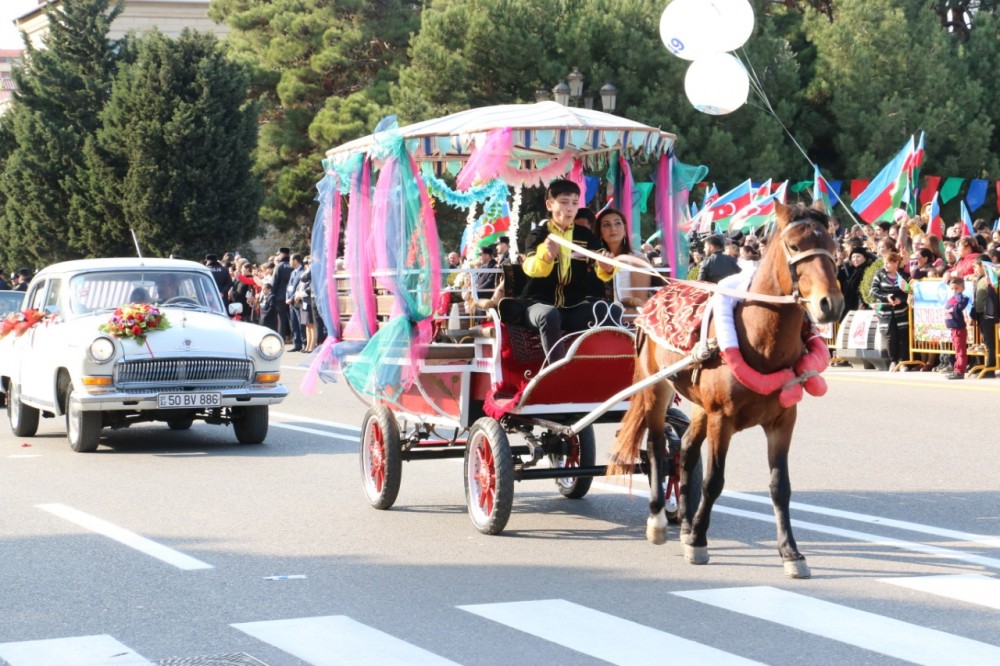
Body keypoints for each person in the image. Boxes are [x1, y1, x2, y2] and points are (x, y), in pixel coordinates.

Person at [520, 179, 615, 361]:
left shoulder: (584, 235)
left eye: (574, 203)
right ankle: (557, 371)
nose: (570, 208)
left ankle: (604, 367)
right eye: (564, 202)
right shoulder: (538, 235)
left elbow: (602, 262)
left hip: (574, 305)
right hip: (537, 303)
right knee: (549, 314)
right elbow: (530, 268)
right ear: (549, 204)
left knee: (611, 311)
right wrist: (545, 256)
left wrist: (607, 267)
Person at [596, 207, 656, 313]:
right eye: (606, 225)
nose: (613, 229)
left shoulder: (637, 259)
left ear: (625, 229)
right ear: (600, 232)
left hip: (627, 321)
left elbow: (640, 303)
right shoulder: (595, 258)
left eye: (617, 223)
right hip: (596, 319)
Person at [869, 252, 909, 370]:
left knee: (903, 336)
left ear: (896, 263)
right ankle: (893, 360)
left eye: (888, 263)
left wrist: (900, 300)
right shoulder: (880, 275)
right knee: (890, 335)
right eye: (885, 263)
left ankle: (903, 361)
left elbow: (908, 291)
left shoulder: (903, 276)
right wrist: (886, 296)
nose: (885, 265)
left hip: (901, 311)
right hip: (885, 312)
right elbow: (874, 290)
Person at [971, 253, 999, 378]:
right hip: (981, 313)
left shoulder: (991, 278)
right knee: (985, 341)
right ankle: (985, 364)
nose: (975, 270)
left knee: (990, 342)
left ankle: (990, 367)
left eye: (976, 267)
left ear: (983, 266)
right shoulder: (979, 279)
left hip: (989, 313)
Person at [944, 276, 970, 380]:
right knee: (957, 350)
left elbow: (960, 306)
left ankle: (960, 371)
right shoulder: (951, 299)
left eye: (956, 288)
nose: (954, 291)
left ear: (962, 288)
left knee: (960, 351)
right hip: (953, 328)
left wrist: (959, 294)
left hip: (959, 328)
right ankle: (956, 369)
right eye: (952, 289)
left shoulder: (962, 298)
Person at [837, 246, 871, 316]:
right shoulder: (849, 270)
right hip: (846, 305)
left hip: (859, 306)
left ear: (864, 258)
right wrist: (839, 262)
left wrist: (863, 303)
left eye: (858, 256)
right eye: (853, 257)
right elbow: (838, 278)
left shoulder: (868, 270)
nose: (855, 259)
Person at [271, 248, 294, 343]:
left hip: (280, 296)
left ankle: (281, 337)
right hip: (291, 295)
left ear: (282, 254)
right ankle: (294, 337)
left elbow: (274, 282)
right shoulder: (293, 265)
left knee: (281, 318)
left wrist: (272, 294)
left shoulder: (279, 266)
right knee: (292, 318)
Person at [285, 253, 305, 351]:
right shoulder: (293, 272)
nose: (289, 262)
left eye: (291, 260)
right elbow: (289, 286)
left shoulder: (302, 272)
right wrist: (287, 297)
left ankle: (303, 342)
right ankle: (296, 343)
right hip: (290, 302)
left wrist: (292, 298)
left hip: (298, 301)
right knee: (293, 323)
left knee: (301, 322)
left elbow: (299, 288)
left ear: (296, 261)